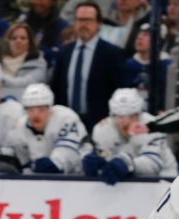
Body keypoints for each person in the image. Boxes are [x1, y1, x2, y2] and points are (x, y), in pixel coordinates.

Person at [49, 1, 128, 132]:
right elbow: (56, 88)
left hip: (101, 125)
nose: (83, 25)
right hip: (67, 123)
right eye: (80, 20)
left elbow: (119, 90)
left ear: (98, 24)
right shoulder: (64, 53)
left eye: (88, 20)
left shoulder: (112, 54)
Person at [82, 88, 178, 184]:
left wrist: (128, 163)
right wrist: (94, 162)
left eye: (131, 116)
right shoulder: (102, 129)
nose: (125, 122)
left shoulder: (152, 126)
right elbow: (102, 157)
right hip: (122, 188)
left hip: (164, 183)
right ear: (112, 115)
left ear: (139, 114)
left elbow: (153, 164)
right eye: (119, 116)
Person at [0, 82, 87, 174]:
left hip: (78, 178)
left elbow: (59, 163)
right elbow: (17, 160)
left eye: (41, 109)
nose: (35, 115)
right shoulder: (19, 127)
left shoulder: (66, 118)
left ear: (50, 108)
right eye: (31, 110)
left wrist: (52, 164)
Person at [0, 22, 48, 89]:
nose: (18, 41)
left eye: (23, 38)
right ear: (7, 42)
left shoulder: (39, 63)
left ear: (30, 42)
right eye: (14, 38)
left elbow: (26, 83)